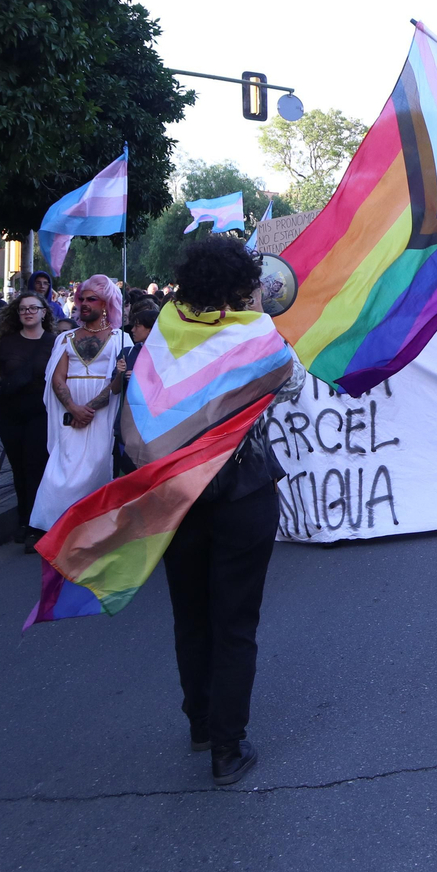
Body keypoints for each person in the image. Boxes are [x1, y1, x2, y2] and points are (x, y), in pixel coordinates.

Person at [152, 236, 303, 786]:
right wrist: (259, 316)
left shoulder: (165, 336)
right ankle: (226, 745)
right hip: (242, 491)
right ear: (242, 286)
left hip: (177, 497)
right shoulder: (254, 335)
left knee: (190, 613)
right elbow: (293, 386)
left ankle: (199, 722)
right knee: (234, 621)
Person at [30, 276, 128, 531]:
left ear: (105, 303)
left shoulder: (120, 339)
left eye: (91, 299)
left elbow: (122, 380)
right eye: (81, 298)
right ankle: (58, 529)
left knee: (97, 470)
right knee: (60, 473)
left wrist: (90, 408)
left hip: (103, 418)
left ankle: (90, 532)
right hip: (69, 415)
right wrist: (74, 408)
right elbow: (57, 378)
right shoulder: (66, 338)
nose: (83, 303)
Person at [0, 292, 55, 550]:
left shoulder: (55, 343)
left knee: (35, 466)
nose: (28, 312)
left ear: (44, 312)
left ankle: (36, 525)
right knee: (18, 468)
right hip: (10, 411)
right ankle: (24, 520)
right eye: (23, 309)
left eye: (34, 308)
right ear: (17, 313)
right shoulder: (9, 342)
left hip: (40, 412)